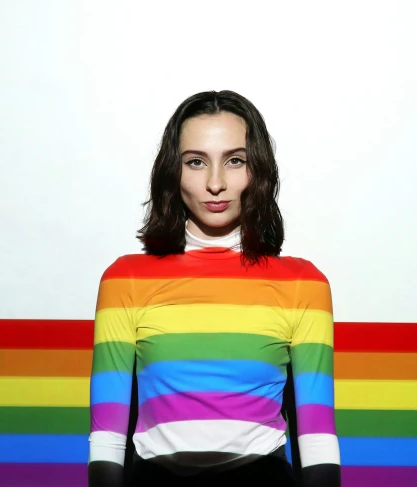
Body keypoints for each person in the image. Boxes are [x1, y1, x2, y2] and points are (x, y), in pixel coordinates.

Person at [88, 90, 341, 487]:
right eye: (196, 162)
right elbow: (106, 439)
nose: (216, 183)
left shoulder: (302, 284)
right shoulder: (126, 279)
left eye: (235, 160)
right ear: (173, 172)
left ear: (258, 170)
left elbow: (317, 437)